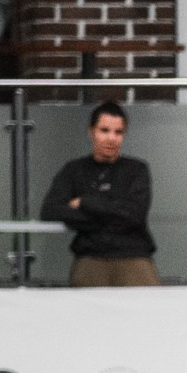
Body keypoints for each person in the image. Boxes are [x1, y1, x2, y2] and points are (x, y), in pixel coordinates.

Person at [40, 101, 159, 287]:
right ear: (91, 131)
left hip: (134, 258)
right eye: (104, 130)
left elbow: (135, 215)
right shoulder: (74, 170)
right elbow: (50, 210)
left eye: (118, 132)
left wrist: (85, 203)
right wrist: (112, 212)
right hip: (91, 259)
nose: (111, 138)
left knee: (145, 313)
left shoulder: (136, 169)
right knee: (87, 315)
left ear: (124, 134)